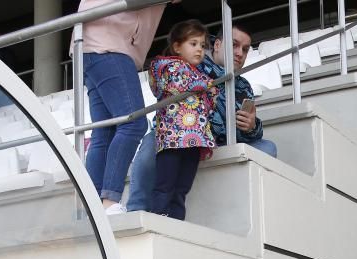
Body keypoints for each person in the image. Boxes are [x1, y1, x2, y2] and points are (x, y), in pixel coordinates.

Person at [127, 23, 276, 212]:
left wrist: (252, 126)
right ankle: (136, 208)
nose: (240, 53)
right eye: (234, 45)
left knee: (268, 147)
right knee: (152, 141)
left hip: (216, 142)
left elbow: (245, 133)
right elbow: (163, 79)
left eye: (245, 49)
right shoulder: (193, 61)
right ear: (217, 45)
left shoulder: (244, 86)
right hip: (181, 135)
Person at [75, 0, 177, 214]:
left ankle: (91, 208)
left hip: (91, 46)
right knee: (134, 124)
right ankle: (109, 201)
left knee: (105, 132)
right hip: (109, 46)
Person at [146, 20, 219, 220]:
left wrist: (210, 88)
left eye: (202, 46)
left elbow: (208, 101)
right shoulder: (167, 66)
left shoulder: (200, 74)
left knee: (182, 189)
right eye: (193, 44)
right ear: (177, 46)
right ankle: (159, 220)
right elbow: (181, 82)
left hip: (193, 139)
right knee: (165, 185)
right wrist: (208, 85)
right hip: (173, 139)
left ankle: (176, 224)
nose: (199, 50)